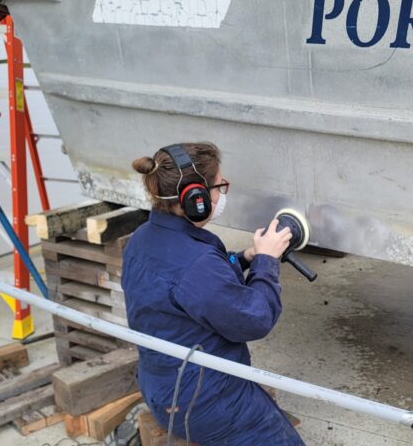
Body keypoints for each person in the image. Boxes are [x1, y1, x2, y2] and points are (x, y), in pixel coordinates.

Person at [122, 142, 305, 445]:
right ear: (196, 199)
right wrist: (267, 263)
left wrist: (246, 257)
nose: (222, 194)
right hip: (206, 401)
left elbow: (192, 285)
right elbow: (255, 318)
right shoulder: (197, 265)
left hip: (164, 388)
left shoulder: (142, 239)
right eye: (220, 186)